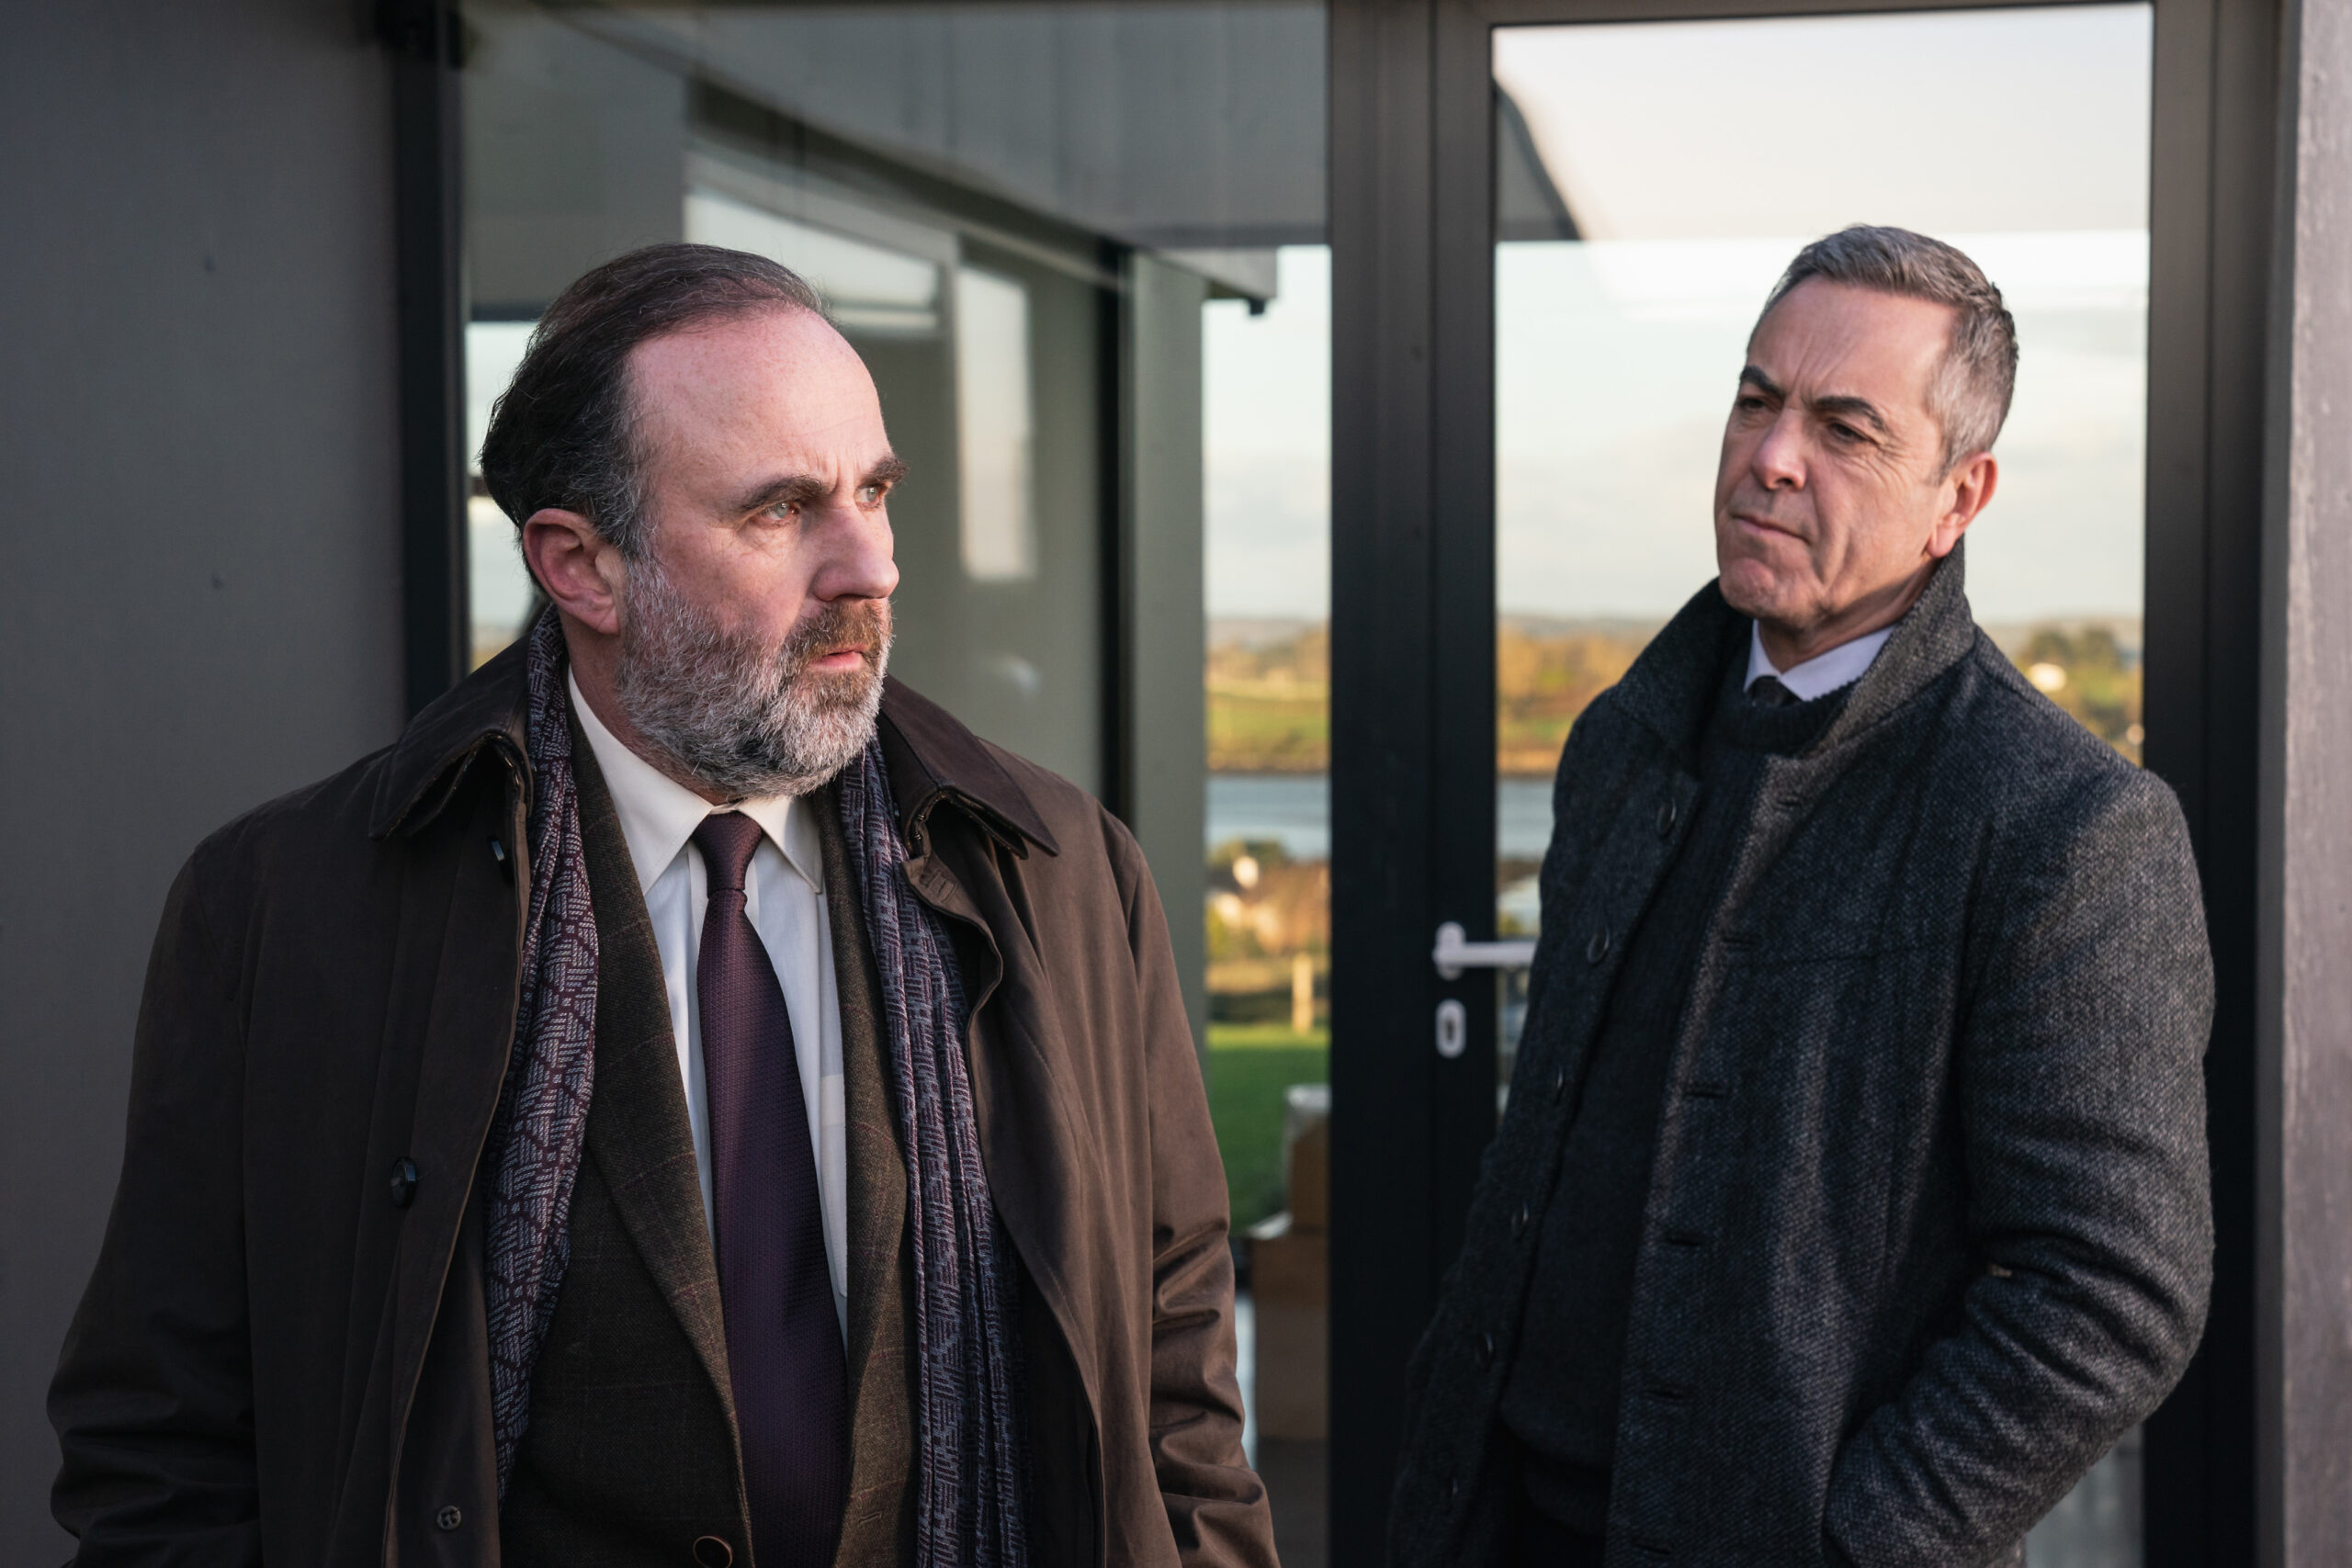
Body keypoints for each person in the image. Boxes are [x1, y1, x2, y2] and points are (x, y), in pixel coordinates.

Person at [51, 244, 1275, 1568]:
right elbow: (167, 1446)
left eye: (874, 492)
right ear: (581, 566)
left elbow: (1173, 1388)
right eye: (781, 510)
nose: (869, 567)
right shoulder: (290, 912)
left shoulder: (1061, 875)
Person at [1389, 227, 2212, 1567]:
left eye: (1845, 428)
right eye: (1756, 399)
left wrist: (1856, 1542)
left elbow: (2114, 1294)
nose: (1772, 456)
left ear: (1958, 498)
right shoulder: (1623, 742)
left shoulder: (2063, 827)